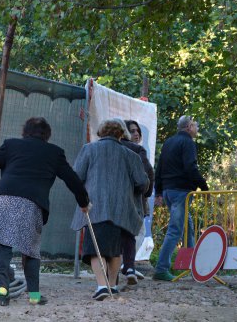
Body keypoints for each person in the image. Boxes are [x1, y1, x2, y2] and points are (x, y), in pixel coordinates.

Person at [0, 117, 90, 306]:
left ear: (25, 131)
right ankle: (34, 296)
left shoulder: (11, 145)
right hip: (32, 204)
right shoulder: (54, 152)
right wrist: (84, 202)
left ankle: (1, 292)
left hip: (4, 200)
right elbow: (72, 180)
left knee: (1, 247)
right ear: (47, 135)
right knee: (30, 250)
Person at [70, 119, 149, 300]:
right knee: (115, 249)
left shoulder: (89, 149)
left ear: (101, 132)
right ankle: (112, 285)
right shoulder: (131, 156)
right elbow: (143, 183)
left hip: (94, 207)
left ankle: (101, 286)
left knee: (95, 248)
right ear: (122, 134)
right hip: (122, 209)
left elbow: (77, 176)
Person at [153, 115, 209, 281]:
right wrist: (204, 186)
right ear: (189, 126)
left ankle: (193, 266)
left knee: (188, 227)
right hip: (181, 192)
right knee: (175, 230)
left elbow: (160, 167)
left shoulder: (169, 142)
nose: (197, 130)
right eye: (196, 126)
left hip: (169, 191)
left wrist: (159, 192)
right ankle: (161, 268)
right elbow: (190, 167)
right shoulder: (188, 143)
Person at [118, 119, 154, 285]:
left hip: (116, 198)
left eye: (138, 130)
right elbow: (148, 173)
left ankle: (125, 266)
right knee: (132, 232)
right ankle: (128, 266)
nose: (136, 133)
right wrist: (146, 192)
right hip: (135, 197)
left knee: (125, 234)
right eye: (132, 130)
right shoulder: (138, 150)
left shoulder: (113, 149)